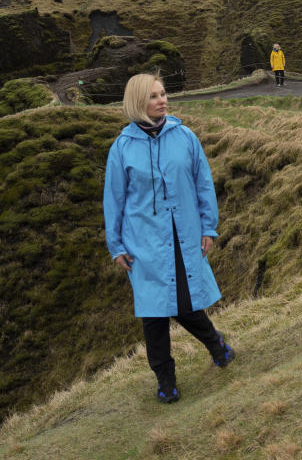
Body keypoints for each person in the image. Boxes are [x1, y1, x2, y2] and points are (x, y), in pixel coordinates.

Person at [103, 73, 235, 404]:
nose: (162, 100)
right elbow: (114, 200)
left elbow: (203, 183)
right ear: (137, 102)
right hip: (143, 244)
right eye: (153, 96)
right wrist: (116, 246)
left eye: (163, 94)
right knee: (154, 315)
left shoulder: (186, 137)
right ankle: (166, 380)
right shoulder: (122, 148)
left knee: (186, 305)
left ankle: (216, 346)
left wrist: (208, 227)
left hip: (183, 236)